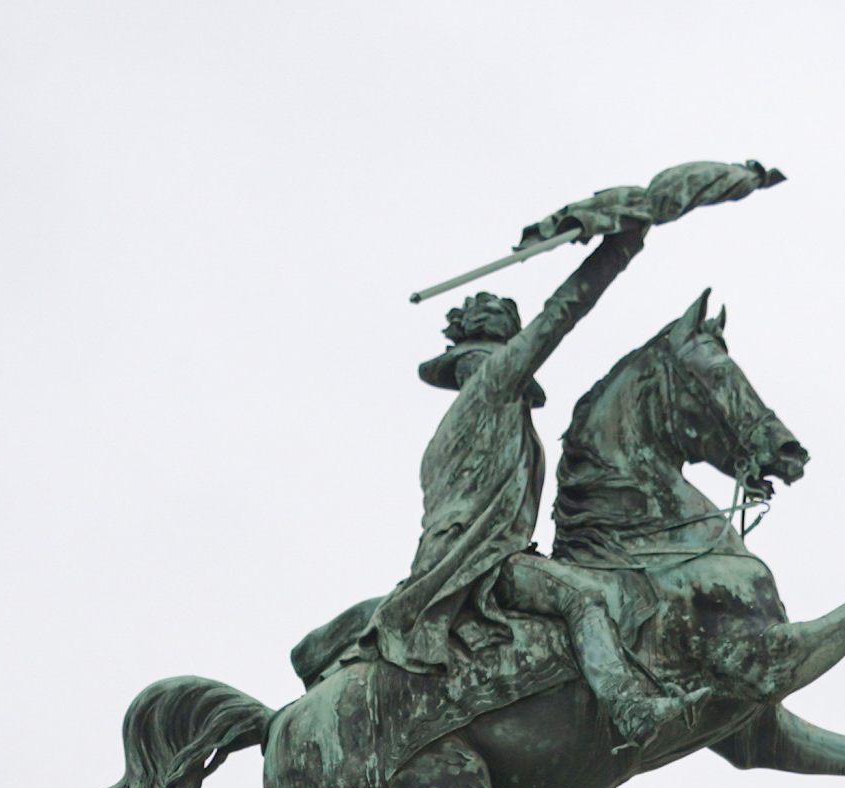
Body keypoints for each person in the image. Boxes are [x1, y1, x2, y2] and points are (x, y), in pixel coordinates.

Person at [292, 231, 691, 756]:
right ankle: (630, 707)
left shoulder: (458, 429)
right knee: (583, 598)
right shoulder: (490, 394)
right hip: (480, 561)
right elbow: (560, 315)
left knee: (538, 660)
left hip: (464, 557)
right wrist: (621, 246)